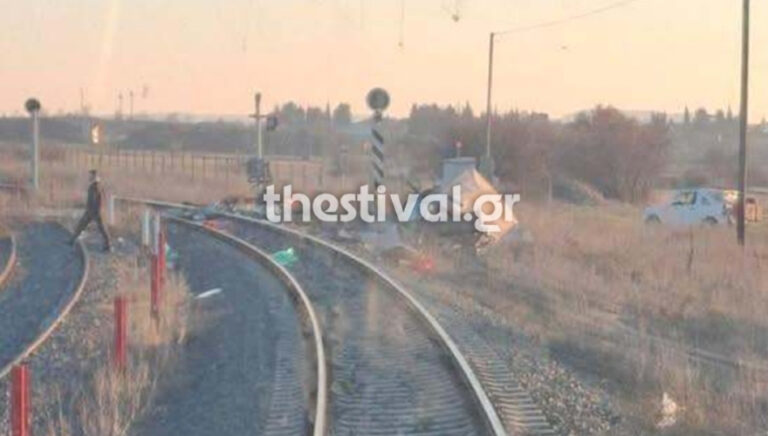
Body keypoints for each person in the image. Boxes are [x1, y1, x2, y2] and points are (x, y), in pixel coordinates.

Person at [70, 170, 111, 252]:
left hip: (96, 211)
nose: (89, 177)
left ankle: (108, 246)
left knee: (102, 229)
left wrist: (96, 210)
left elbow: (98, 200)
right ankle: (72, 240)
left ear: (94, 177)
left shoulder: (96, 187)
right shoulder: (95, 186)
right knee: (82, 225)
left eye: (91, 176)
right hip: (92, 210)